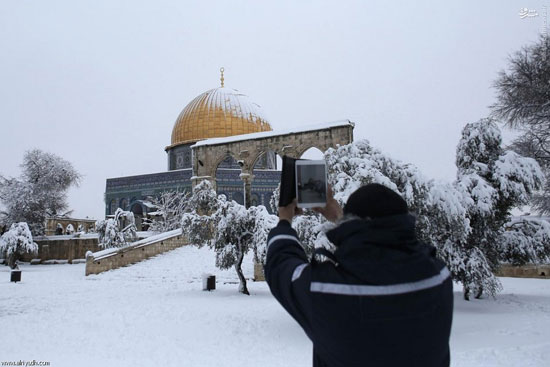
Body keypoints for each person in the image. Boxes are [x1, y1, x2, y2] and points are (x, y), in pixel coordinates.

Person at [264, 183, 453, 367]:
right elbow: (382, 243)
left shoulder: (329, 290)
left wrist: (284, 219)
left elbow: (281, 265)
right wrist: (340, 218)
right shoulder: (438, 277)